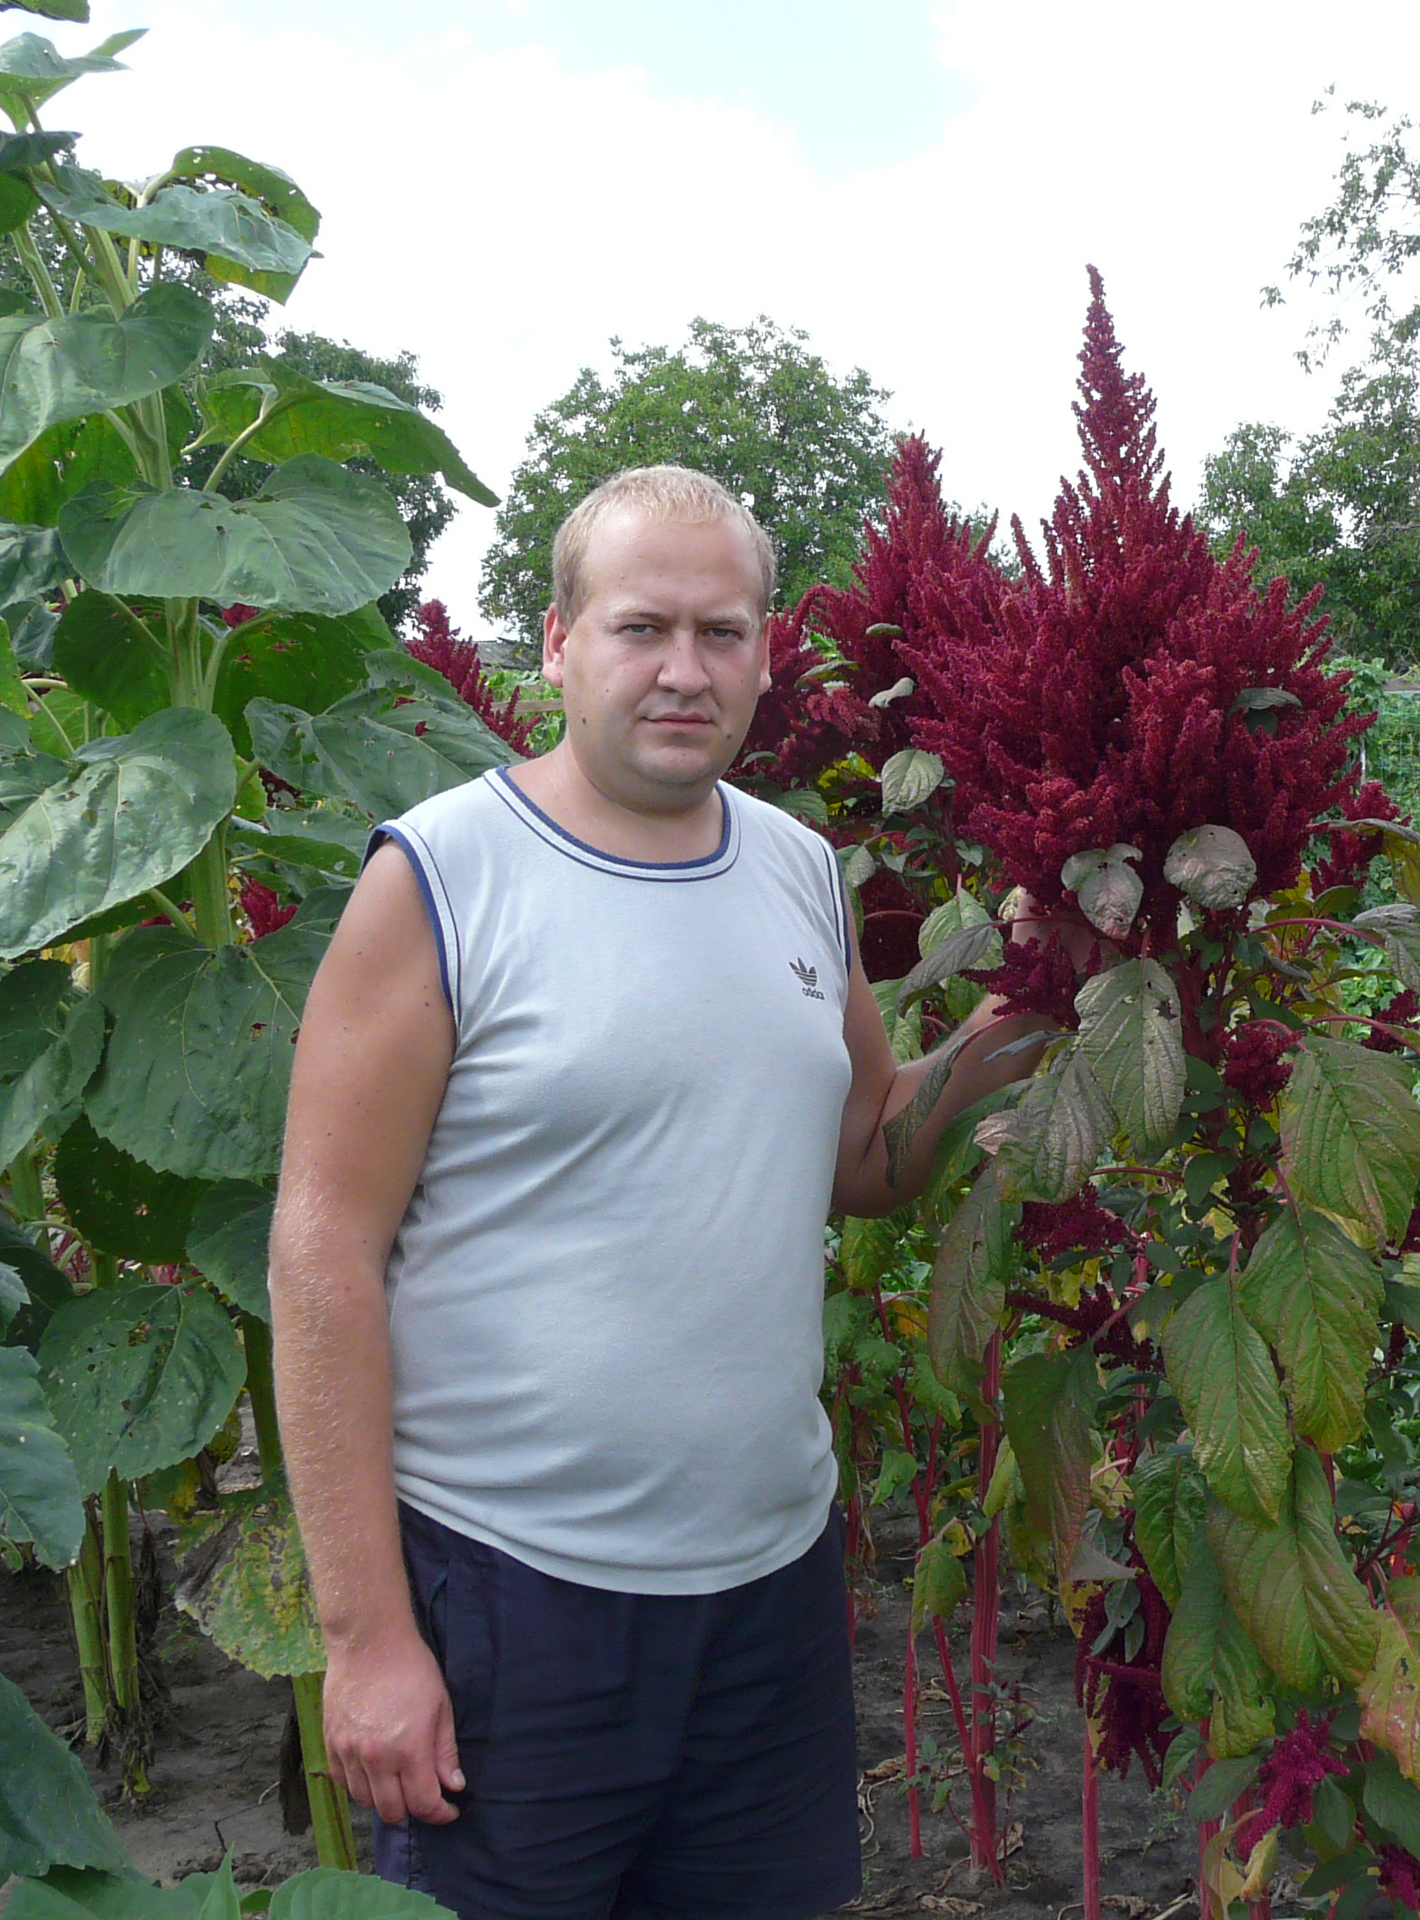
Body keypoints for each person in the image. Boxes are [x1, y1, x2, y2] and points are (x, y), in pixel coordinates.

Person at [270, 466, 1065, 1920]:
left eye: (725, 632)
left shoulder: (799, 870)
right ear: (562, 640)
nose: (684, 670)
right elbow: (321, 1258)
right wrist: (367, 1635)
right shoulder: (445, 879)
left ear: (769, 652)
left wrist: (1028, 1010)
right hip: (514, 1600)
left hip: (766, 1587)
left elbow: (866, 1161)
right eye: (644, 627)